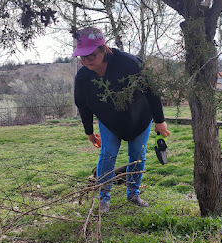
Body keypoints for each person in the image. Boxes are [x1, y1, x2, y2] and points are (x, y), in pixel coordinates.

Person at [72, 27, 170, 213]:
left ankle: (133, 193)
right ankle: (103, 198)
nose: (85, 62)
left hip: (140, 116)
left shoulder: (129, 63)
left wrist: (159, 120)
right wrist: (89, 132)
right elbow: (83, 106)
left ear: (103, 49)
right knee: (107, 155)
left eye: (90, 56)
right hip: (109, 120)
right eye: (82, 58)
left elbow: (151, 89)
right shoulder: (83, 77)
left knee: (137, 156)